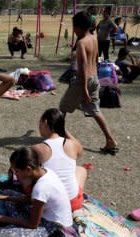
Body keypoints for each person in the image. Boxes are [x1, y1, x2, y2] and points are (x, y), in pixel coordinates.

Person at [0, 147, 73, 237]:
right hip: (42, 214)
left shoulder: (41, 188)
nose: (16, 175)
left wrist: (1, 218)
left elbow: (33, 224)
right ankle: (12, 224)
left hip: (51, 226)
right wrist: (0, 197)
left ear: (28, 170)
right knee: (9, 194)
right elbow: (29, 200)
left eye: (17, 171)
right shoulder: (44, 171)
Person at [59, 11, 119, 155]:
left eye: (74, 27)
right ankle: (110, 140)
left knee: (62, 108)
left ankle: (58, 137)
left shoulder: (81, 42)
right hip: (95, 79)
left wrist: (84, 88)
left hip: (83, 81)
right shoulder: (94, 38)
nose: (73, 30)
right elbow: (95, 59)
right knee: (95, 110)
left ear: (79, 27)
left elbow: (84, 65)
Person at [31, 108, 87, 212]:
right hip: (73, 203)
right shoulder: (73, 144)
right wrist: (63, 129)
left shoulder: (37, 148)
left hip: (49, 205)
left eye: (40, 122)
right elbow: (80, 151)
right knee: (81, 170)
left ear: (45, 122)